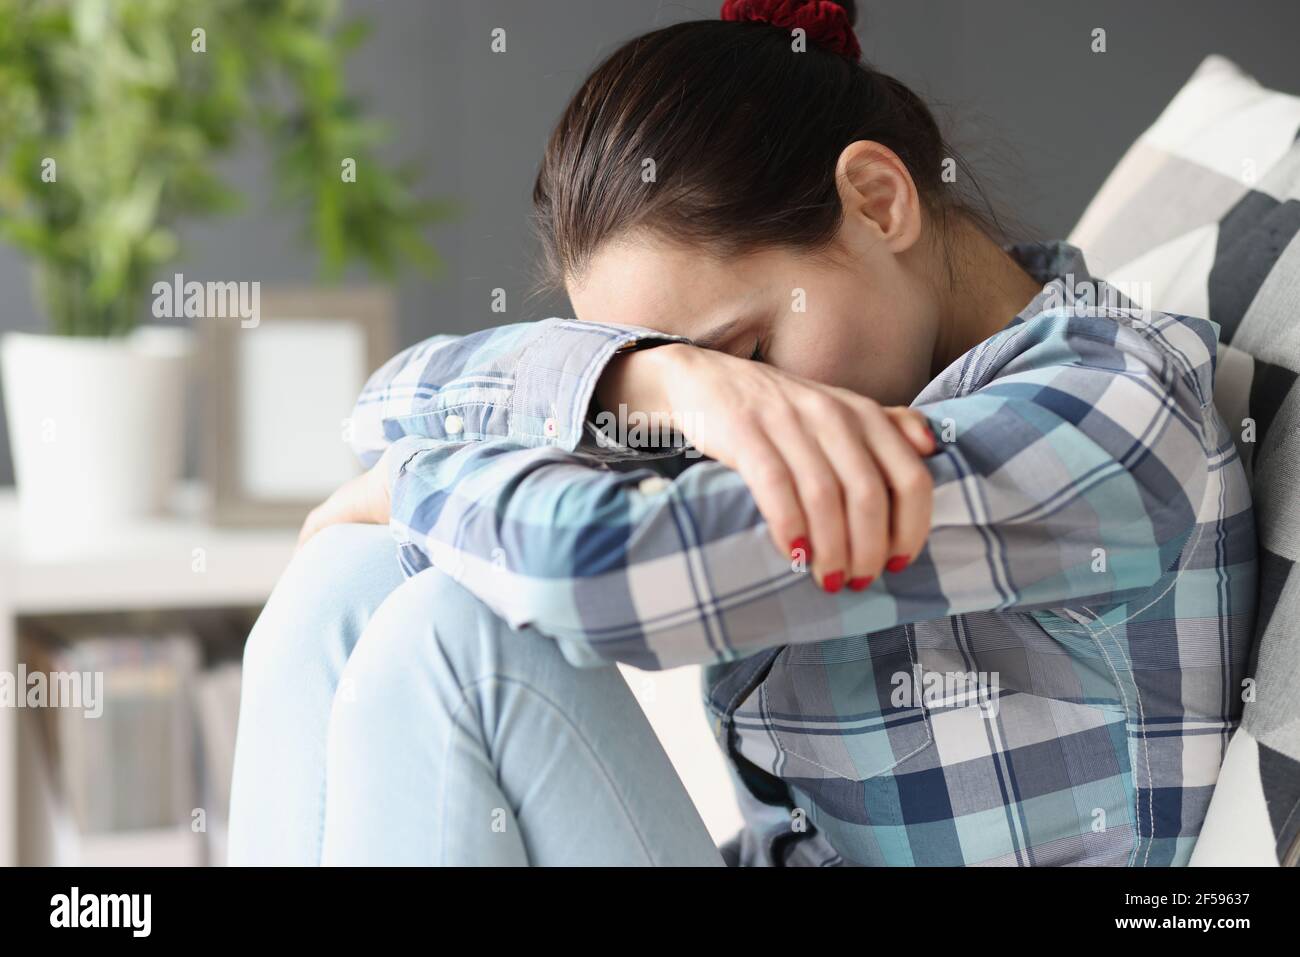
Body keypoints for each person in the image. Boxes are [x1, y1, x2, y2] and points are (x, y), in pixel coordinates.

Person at [228, 0, 1256, 866]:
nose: (723, 434)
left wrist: (415, 491)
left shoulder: (1100, 413)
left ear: (875, 198)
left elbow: (600, 575)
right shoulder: (763, 410)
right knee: (348, 586)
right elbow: (387, 405)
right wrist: (654, 378)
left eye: (746, 351)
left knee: (452, 640)